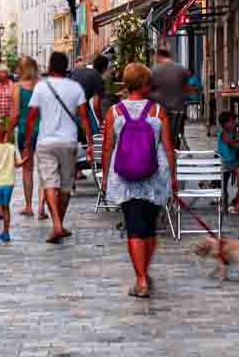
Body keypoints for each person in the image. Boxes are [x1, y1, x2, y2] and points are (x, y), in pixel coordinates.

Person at [100, 63, 176, 299]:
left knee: (133, 227)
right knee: (149, 227)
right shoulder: (157, 111)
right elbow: (168, 147)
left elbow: (107, 148)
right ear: (145, 84)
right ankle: (144, 272)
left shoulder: (114, 112)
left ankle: (141, 279)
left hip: (125, 176)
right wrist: (174, 176)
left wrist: (104, 176)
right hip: (154, 175)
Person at [22, 52, 93, 244]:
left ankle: (56, 224)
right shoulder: (75, 88)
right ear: (67, 66)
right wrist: (90, 143)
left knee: (50, 183)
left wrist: (28, 141)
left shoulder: (41, 87)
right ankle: (58, 224)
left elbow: (31, 117)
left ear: (51, 67)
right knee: (65, 187)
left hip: (46, 142)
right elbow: (84, 117)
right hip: (69, 142)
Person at [9, 56, 43, 218]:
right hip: (43, 130)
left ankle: (29, 205)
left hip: (25, 131)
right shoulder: (42, 86)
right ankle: (42, 206)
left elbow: (15, 114)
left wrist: (8, 131)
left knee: (27, 169)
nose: (16, 71)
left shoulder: (17, 88)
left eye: (18, 68)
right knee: (44, 170)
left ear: (22, 70)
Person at [149, 49, 190, 148]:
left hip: (161, 110)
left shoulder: (154, 71)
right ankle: (175, 152)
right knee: (176, 136)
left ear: (158, 56)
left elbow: (149, 89)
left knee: (161, 137)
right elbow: (186, 88)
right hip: (178, 110)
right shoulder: (182, 69)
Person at [70, 55, 109, 135]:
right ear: (104, 69)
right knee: (96, 134)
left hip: (68, 108)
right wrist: (101, 121)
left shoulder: (84, 72)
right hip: (79, 109)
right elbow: (96, 105)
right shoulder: (97, 76)